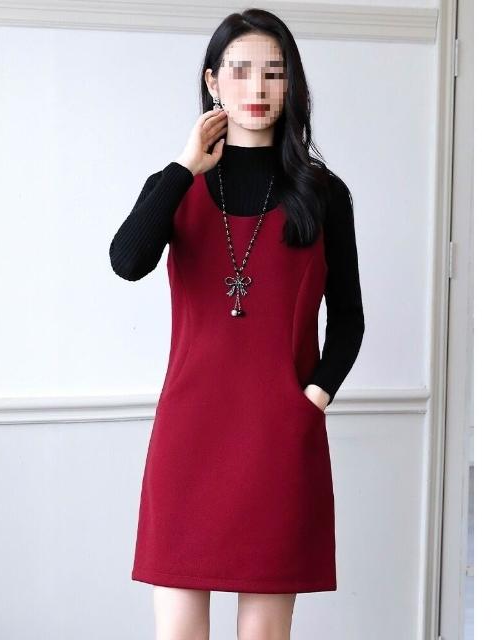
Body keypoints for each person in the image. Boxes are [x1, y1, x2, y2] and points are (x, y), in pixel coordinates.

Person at [109, 9, 365, 640]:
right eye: (241, 70)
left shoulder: (323, 194)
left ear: (292, 85)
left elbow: (349, 319)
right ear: (213, 81)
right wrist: (184, 166)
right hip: (188, 438)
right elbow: (126, 262)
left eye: (274, 73)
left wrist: (309, 400)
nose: (257, 87)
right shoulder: (174, 185)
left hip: (280, 440)